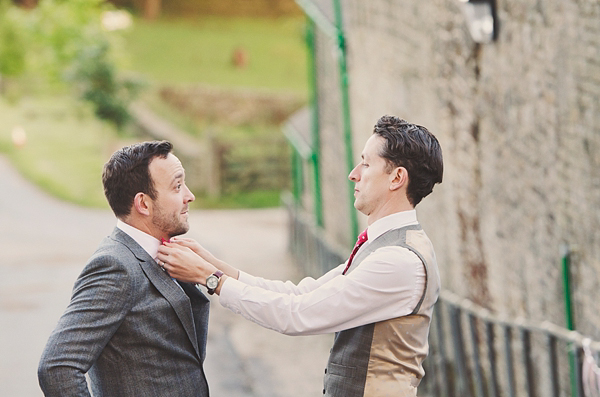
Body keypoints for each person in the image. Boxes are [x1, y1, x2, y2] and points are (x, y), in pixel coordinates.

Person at [158, 115, 444, 397]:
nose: (353, 173)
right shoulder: (388, 248)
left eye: (367, 164)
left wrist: (209, 279)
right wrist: (214, 265)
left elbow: (297, 315)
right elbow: (300, 294)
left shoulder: (397, 260)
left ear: (397, 178)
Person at [38, 141, 210, 397]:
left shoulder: (167, 253)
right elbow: (57, 366)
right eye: (177, 186)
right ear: (143, 204)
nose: (189, 195)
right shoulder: (115, 266)